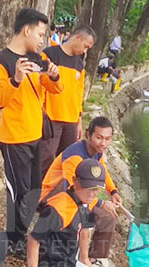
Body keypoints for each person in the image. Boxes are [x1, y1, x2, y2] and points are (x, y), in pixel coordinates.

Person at [0, 8, 63, 248]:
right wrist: (16, 79)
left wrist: (53, 76)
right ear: (27, 30)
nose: (42, 40)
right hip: (13, 139)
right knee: (18, 193)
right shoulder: (1, 63)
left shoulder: (39, 58)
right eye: (40, 34)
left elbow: (55, 90)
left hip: (35, 135)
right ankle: (14, 240)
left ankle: (18, 235)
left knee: (33, 190)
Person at [27, 159, 111, 267]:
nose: (92, 193)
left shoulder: (84, 201)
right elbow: (33, 240)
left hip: (71, 264)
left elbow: (84, 232)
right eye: (88, 188)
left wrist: (85, 260)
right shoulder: (57, 208)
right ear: (75, 181)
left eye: (96, 190)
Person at [40, 117, 121, 263]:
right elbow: (74, 187)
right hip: (56, 194)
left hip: (77, 195)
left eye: (107, 139)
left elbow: (103, 171)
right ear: (88, 135)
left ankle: (94, 257)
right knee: (88, 210)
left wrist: (113, 191)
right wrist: (101, 203)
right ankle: (79, 257)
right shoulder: (74, 155)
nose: (103, 143)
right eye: (99, 137)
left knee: (109, 216)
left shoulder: (97, 152)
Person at [40, 25, 96, 176]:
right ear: (77, 38)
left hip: (71, 120)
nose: (85, 51)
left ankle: (61, 194)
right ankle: (40, 194)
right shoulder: (49, 55)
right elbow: (42, 83)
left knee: (68, 160)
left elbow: (79, 93)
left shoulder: (79, 63)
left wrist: (79, 119)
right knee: (46, 160)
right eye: (85, 46)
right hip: (51, 117)